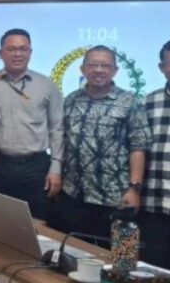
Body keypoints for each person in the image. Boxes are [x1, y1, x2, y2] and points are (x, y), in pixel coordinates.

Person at [48, 45, 150, 240]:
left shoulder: (130, 102)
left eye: (105, 65)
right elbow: (62, 139)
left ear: (115, 70)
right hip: (74, 195)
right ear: (83, 69)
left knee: (120, 254)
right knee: (73, 251)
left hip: (115, 198)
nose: (99, 70)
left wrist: (134, 189)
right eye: (93, 65)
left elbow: (138, 148)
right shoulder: (71, 100)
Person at [0, 29, 64, 220]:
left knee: (38, 224)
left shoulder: (46, 85)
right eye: (11, 49)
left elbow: (57, 128)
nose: (17, 54)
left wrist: (56, 167)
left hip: (36, 168)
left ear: (30, 52)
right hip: (0, 166)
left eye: (23, 49)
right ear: (0, 53)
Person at [140, 40, 170, 268]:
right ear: (161, 67)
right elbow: (137, 148)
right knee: (151, 270)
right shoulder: (148, 102)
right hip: (153, 202)